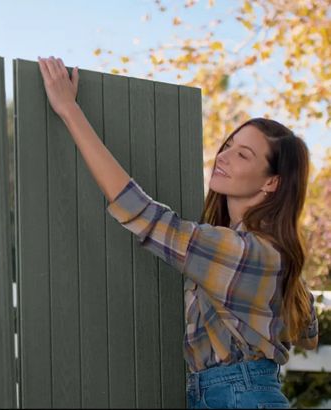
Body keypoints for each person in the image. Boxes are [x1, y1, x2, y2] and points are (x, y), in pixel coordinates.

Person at [37, 56, 318, 409]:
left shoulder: (246, 251)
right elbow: (309, 334)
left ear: (272, 182)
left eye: (243, 155)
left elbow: (143, 215)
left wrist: (68, 110)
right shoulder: (269, 255)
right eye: (228, 144)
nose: (224, 156)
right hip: (228, 394)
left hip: (238, 397)